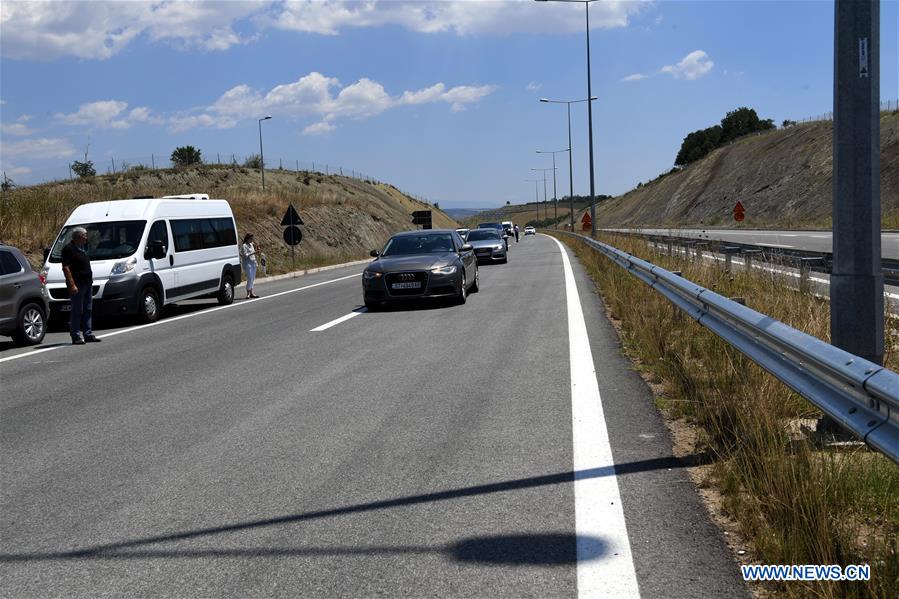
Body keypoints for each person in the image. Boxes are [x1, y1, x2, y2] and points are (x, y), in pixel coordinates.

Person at [61, 227, 100, 345]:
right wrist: (72, 284)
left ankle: (88, 333)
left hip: (87, 282)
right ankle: (75, 335)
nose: (86, 238)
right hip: (77, 283)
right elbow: (66, 268)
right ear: (78, 237)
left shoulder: (82, 248)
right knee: (77, 310)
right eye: (84, 236)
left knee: (88, 309)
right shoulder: (68, 249)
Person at [240, 233, 261, 298]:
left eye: (252, 238)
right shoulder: (244, 246)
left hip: (253, 262)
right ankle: (248, 293)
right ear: (248, 238)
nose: (252, 239)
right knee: (249, 278)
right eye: (251, 238)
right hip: (248, 263)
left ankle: (252, 292)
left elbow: (254, 254)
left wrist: (258, 251)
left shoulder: (251, 245)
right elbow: (245, 255)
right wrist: (254, 252)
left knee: (253, 278)